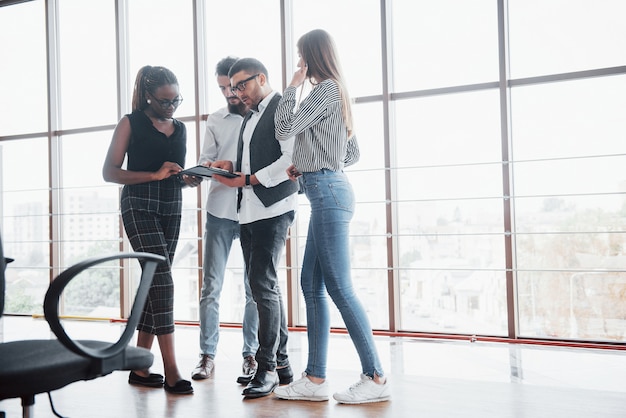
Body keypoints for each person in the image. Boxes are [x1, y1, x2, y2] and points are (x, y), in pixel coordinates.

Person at [273, 29, 391, 404]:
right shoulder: (339, 93)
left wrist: (291, 87)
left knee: (338, 287)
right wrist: (307, 164)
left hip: (327, 192)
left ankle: (374, 377)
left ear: (310, 56)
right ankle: (315, 379)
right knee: (311, 284)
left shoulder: (323, 90)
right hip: (328, 188)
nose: (298, 64)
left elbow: (284, 128)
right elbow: (351, 153)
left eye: (300, 57)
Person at [102, 65, 199, 395]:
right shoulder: (130, 123)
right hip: (138, 203)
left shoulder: (181, 129)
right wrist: (154, 175)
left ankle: (140, 367)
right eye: (165, 101)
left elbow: (174, 174)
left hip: (171, 204)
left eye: (176, 101)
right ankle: (171, 370)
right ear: (148, 96)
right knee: (162, 280)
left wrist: (187, 178)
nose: (171, 107)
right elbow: (110, 172)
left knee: (151, 284)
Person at [211, 57, 297, 399]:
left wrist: (247, 179)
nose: (237, 93)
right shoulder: (249, 117)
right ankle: (283, 363)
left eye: (242, 85)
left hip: (273, 207)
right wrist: (232, 167)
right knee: (266, 286)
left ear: (261, 78)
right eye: (233, 88)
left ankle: (267, 368)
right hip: (247, 209)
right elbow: (252, 159)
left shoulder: (282, 107)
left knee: (262, 285)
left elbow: (290, 159)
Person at [191, 56, 260, 385]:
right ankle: (207, 356)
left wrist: (235, 166)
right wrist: (207, 167)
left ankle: (251, 355)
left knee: (253, 289)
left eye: (232, 88)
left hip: (251, 211)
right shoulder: (215, 119)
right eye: (222, 89)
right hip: (219, 210)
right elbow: (206, 158)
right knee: (211, 288)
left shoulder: (261, 116)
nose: (228, 94)